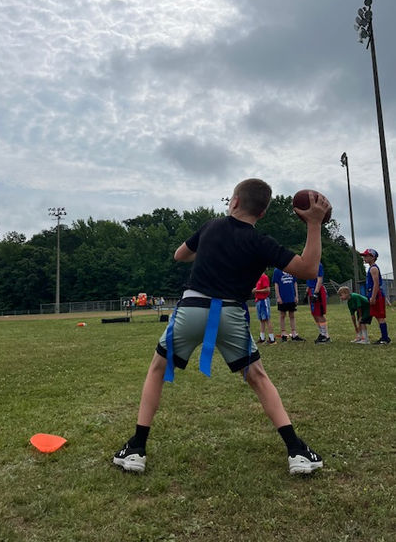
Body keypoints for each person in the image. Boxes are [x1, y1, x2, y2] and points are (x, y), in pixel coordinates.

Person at [113, 179, 331, 476]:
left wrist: (205, 246)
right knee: (258, 378)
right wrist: (314, 224)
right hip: (229, 313)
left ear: (235, 202)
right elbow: (307, 269)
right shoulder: (261, 242)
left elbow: (180, 255)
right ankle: (296, 451)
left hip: (192, 308)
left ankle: (136, 448)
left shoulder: (211, 226)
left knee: (157, 369)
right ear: (263, 214)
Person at [360, 248, 391, 344]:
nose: (364, 258)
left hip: (376, 295)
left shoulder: (373, 268)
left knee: (380, 316)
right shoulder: (370, 268)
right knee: (378, 316)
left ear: (372, 257)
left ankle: (385, 338)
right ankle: (384, 337)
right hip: (374, 294)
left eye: (366, 256)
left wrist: (373, 297)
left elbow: (376, 284)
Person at [272, 268, 305, 342]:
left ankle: (294, 334)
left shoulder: (292, 269)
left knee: (292, 315)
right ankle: (283, 334)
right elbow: (276, 284)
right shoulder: (277, 270)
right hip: (283, 297)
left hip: (291, 297)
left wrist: (296, 295)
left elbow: (295, 282)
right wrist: (278, 297)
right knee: (282, 315)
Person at [306, 263, 331, 344]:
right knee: (314, 313)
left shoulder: (318, 265)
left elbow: (320, 279)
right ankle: (321, 333)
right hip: (311, 289)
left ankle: (325, 335)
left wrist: (316, 293)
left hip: (317, 290)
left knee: (319, 313)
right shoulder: (309, 265)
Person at [252, 272, 275, 344]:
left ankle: (272, 338)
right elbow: (260, 287)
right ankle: (262, 337)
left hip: (263, 300)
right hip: (258, 300)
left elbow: (267, 289)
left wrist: (257, 291)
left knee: (267, 319)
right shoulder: (259, 278)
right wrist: (256, 289)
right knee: (261, 320)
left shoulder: (264, 277)